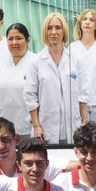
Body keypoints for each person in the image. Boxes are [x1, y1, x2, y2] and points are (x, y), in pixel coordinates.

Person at [27, 12, 75, 145]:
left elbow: (83, 94)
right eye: (49, 28)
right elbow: (30, 96)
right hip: (45, 126)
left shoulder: (74, 59)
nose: (53, 32)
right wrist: (36, 126)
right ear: (45, 32)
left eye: (58, 28)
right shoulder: (36, 61)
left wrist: (84, 122)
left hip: (71, 126)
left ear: (64, 30)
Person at [0, 23, 37, 137]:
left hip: (29, 126)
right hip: (3, 126)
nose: (14, 43)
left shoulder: (36, 61)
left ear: (27, 40)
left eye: (18, 38)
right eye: (10, 39)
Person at [71, 8, 96, 138]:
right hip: (77, 103)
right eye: (84, 19)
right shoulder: (72, 48)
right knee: (81, 141)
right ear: (80, 24)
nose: (87, 22)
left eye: (91, 20)